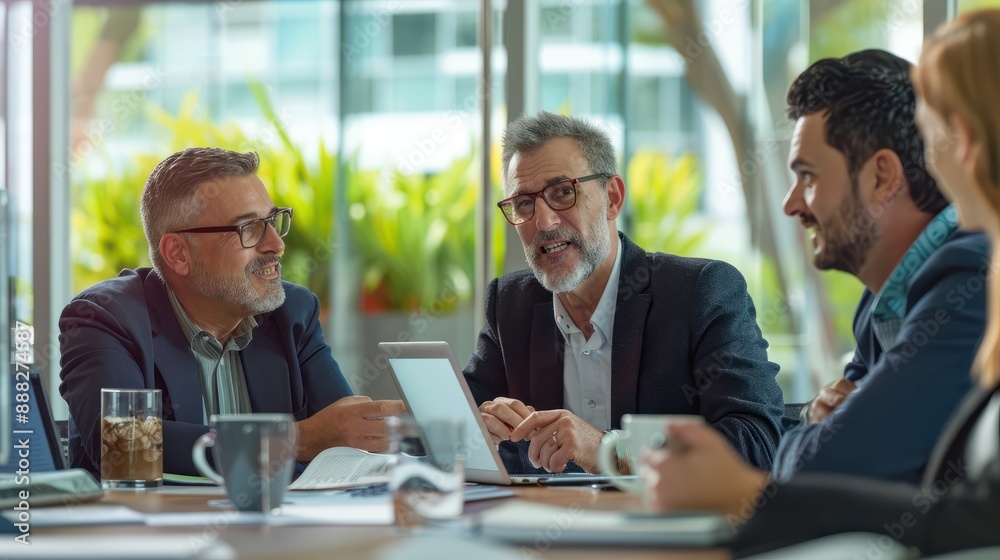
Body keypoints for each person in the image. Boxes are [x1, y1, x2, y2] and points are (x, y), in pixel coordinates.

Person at [645, 12, 1000, 556]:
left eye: (807, 176)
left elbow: (826, 465)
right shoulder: (883, 303)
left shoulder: (967, 278)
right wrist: (819, 425)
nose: (791, 204)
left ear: (882, 176)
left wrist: (757, 483)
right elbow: (829, 458)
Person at [462, 111, 785, 474]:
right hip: (543, 526)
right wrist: (468, 430)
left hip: (666, 528)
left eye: (563, 193)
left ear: (612, 198)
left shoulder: (700, 293)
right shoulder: (510, 303)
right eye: (523, 203)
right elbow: (461, 424)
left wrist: (608, 449)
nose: (544, 222)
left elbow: (758, 444)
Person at [59, 147, 405, 477]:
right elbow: (124, 445)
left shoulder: (293, 314)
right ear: (178, 254)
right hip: (152, 533)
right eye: (250, 228)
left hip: (278, 530)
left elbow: (344, 435)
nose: (277, 244)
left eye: (273, 221)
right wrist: (295, 440)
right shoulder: (104, 319)